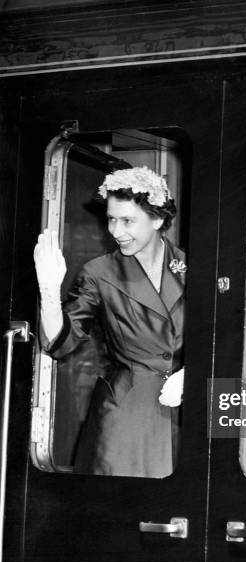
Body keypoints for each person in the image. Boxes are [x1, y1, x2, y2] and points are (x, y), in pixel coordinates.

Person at [34, 166, 185, 478]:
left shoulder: (196, 267)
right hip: (127, 417)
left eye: (128, 220)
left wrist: (193, 374)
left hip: (188, 412)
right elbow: (61, 343)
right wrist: (49, 291)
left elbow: (224, 338)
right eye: (111, 219)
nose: (116, 231)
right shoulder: (99, 273)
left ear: (157, 219)